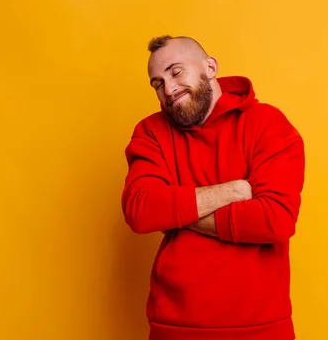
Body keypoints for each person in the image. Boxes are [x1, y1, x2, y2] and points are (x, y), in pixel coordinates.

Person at [121, 35, 305, 340]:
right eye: (157, 83)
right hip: (174, 327)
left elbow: (276, 219)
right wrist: (233, 191)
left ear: (210, 67)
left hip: (260, 327)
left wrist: (175, 213)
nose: (168, 89)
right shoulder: (151, 133)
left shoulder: (269, 124)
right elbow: (140, 210)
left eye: (176, 72)